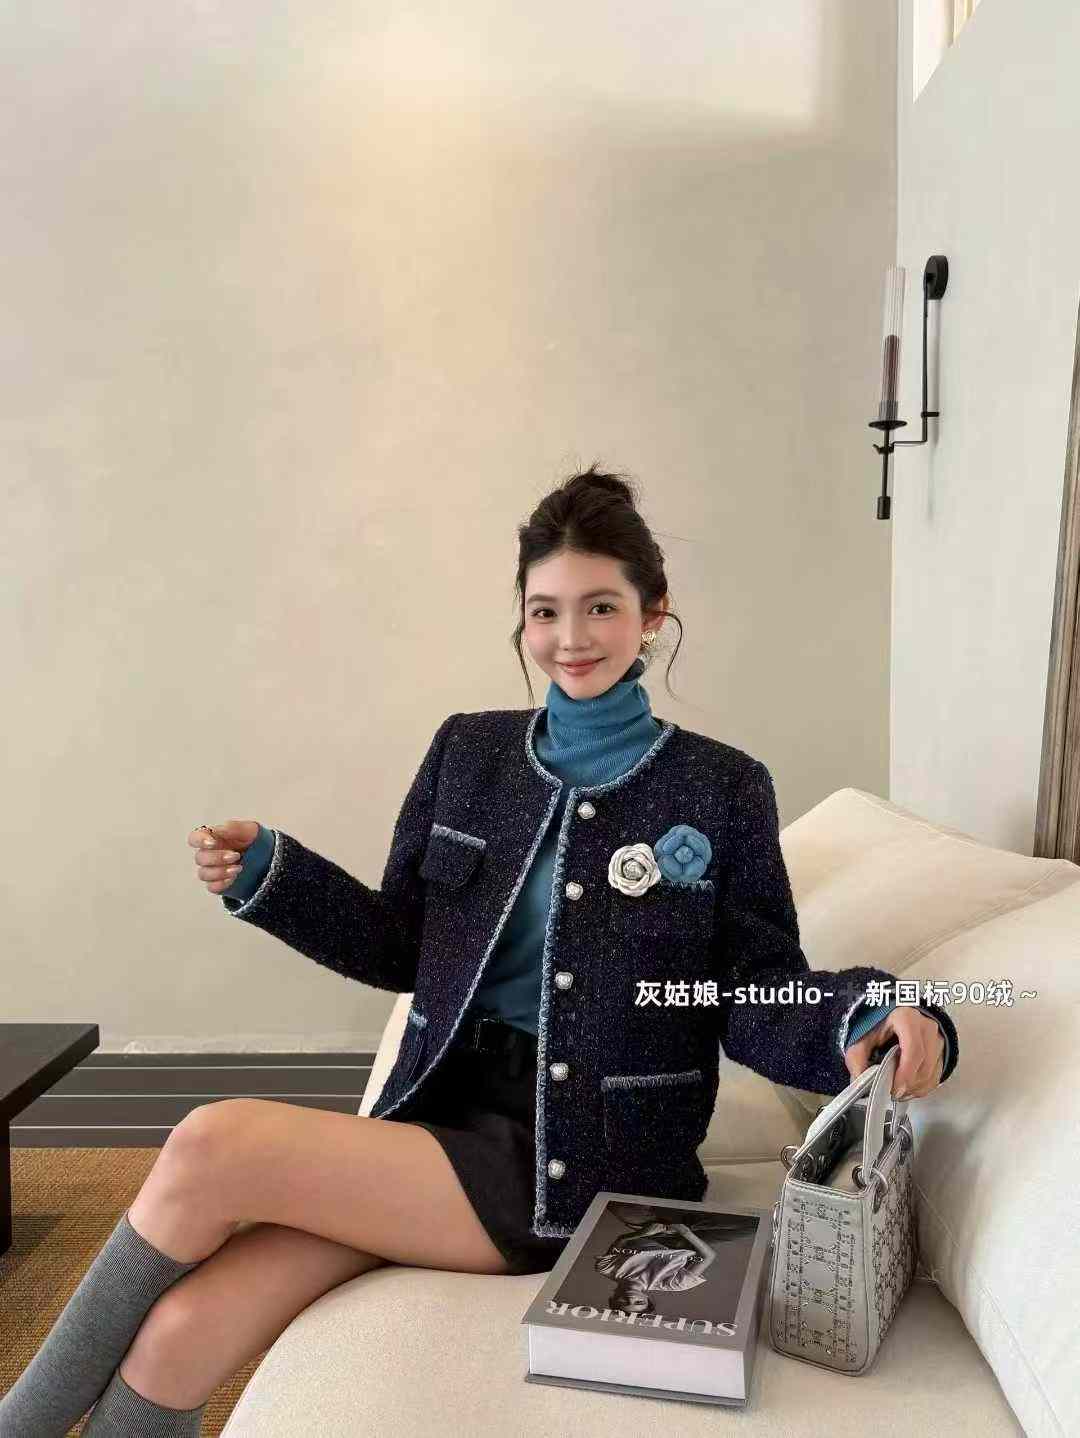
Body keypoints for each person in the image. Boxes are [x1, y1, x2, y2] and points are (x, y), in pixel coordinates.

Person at [0, 466, 956, 1435]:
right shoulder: (469, 753)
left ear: (653, 615)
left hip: (575, 1160)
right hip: (435, 1114)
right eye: (546, 610)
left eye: (600, 606)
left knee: (213, 1144)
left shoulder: (720, 786)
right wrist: (273, 874)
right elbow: (404, 946)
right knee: (179, 1333)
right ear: (522, 618)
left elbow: (749, 985)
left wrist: (864, 1013)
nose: (571, 636)